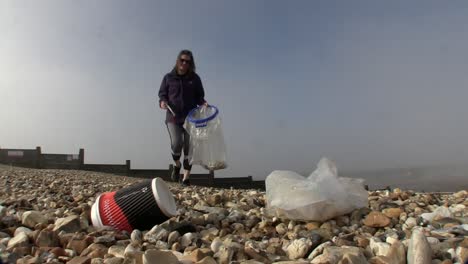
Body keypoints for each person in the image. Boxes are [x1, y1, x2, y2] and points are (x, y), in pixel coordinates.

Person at [158, 50, 207, 186]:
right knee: (177, 143)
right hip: (173, 117)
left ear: (191, 64)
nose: (184, 63)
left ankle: (186, 178)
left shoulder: (195, 79)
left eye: (188, 61)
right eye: (182, 60)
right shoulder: (168, 77)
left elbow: (199, 96)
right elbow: (162, 94)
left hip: (191, 117)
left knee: (189, 148)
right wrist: (162, 101)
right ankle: (177, 165)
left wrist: (203, 103)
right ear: (178, 61)